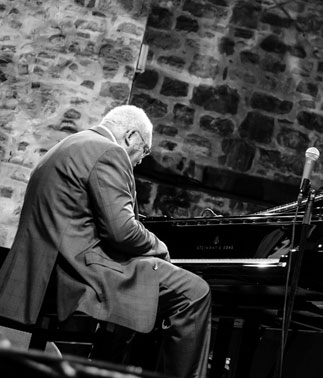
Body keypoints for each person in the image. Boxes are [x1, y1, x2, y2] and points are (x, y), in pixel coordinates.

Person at [0, 105, 211, 378]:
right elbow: (121, 231)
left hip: (42, 273)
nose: (141, 160)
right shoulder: (109, 151)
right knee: (194, 291)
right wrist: (161, 247)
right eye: (145, 150)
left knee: (146, 285)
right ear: (130, 136)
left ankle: (107, 366)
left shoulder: (67, 145)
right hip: (77, 273)